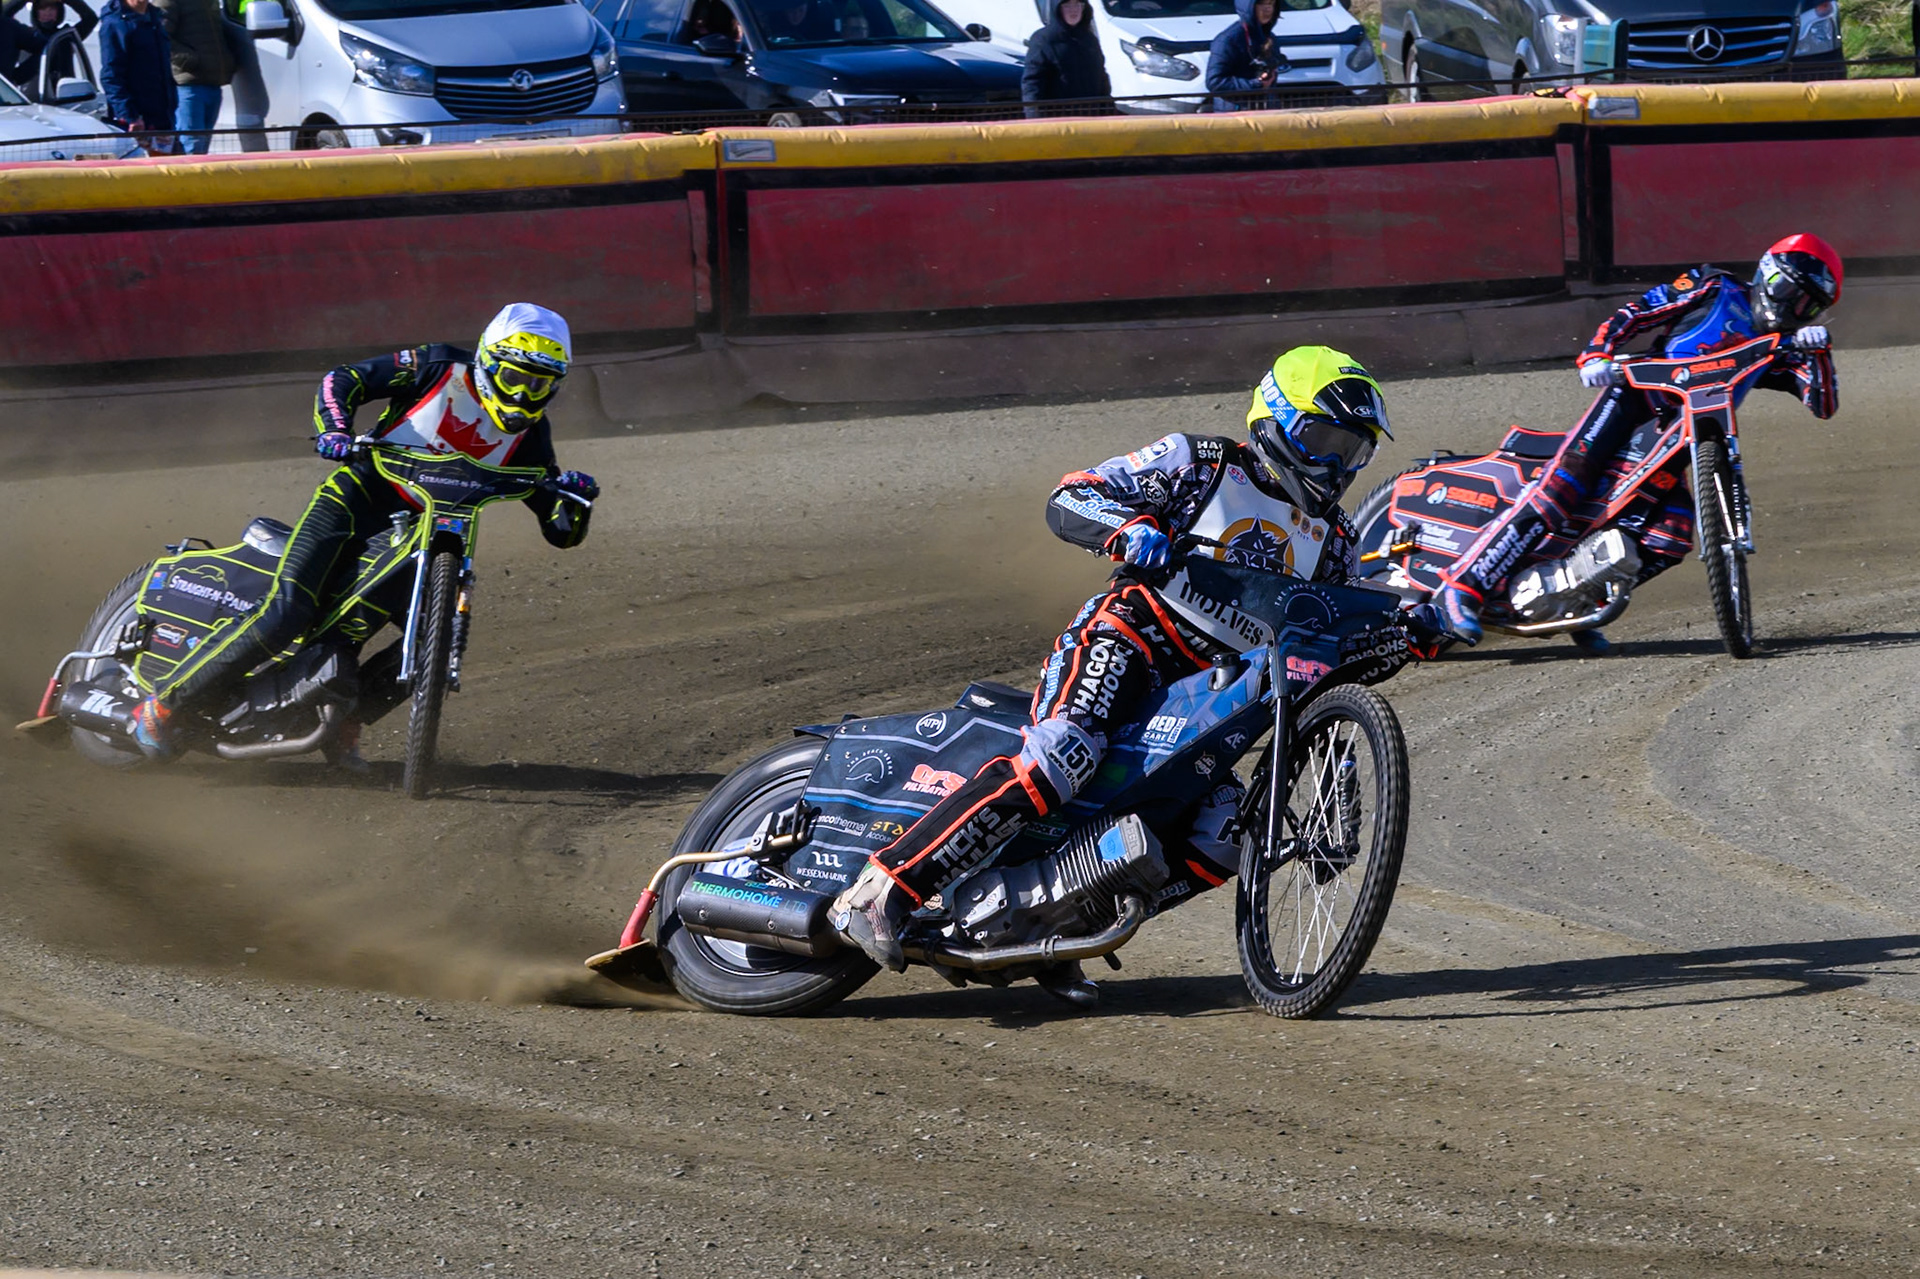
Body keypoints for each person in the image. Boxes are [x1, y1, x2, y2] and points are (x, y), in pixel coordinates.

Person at [830, 346, 1392, 1004]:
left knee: (1223, 837)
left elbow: (1334, 650)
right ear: (1274, 421)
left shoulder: (1340, 540)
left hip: (1212, 697)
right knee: (1063, 756)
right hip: (1131, 635)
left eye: (1351, 451)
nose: (1334, 464)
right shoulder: (1200, 464)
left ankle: (1062, 922)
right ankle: (881, 890)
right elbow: (1072, 495)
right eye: (1322, 440)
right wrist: (1129, 528)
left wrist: (1407, 635)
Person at [127, 304, 601, 762]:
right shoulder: (436, 366)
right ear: (486, 361)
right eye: (514, 377)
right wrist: (334, 429)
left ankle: (347, 721)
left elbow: (559, 530)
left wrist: (576, 502)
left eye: (537, 384)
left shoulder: (532, 437)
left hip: (427, 538)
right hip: (358, 496)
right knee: (288, 609)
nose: (522, 395)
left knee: (431, 639)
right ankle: (163, 705)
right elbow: (345, 379)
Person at [1429, 233, 1842, 650]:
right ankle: (1461, 587)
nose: (1794, 310)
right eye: (1791, 293)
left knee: (1671, 536)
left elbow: (1823, 403)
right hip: (1635, 398)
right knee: (1561, 491)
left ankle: (1576, 600)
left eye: (1809, 307)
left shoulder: (1781, 349)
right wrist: (1597, 353)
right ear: (1769, 275)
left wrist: (1819, 352)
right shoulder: (1714, 285)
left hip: (1687, 436)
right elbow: (1640, 310)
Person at [154, 0, 232, 155]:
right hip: (188, 84)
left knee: (202, 145)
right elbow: (158, 35)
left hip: (212, 81)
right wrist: (188, 59)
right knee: (191, 145)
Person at [97, 0, 174, 143]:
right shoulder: (114, 23)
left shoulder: (156, 17)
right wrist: (130, 116)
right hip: (136, 122)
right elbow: (111, 77)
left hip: (162, 119)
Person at [1021, 0, 1110, 119]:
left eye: (1078, 4)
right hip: (1057, 121)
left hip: (1091, 118)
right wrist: (1034, 116)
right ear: (1057, 9)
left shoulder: (1090, 39)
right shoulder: (1044, 39)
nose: (1074, 10)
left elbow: (1101, 77)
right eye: (1067, 5)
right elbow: (1032, 82)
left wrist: (1108, 110)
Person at [3, 0, 97, 95]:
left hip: (63, 98)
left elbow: (90, 18)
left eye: (52, 8)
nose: (48, 12)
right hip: (28, 99)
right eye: (42, 8)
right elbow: (3, 19)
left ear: (59, 12)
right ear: (35, 12)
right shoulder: (24, 36)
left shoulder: (66, 36)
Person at [1206, 0, 1280, 113]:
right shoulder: (1227, 40)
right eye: (1261, 3)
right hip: (1233, 117)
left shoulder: (1270, 37)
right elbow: (1215, 82)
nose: (1268, 9)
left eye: (1271, 3)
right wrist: (1256, 84)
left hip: (1266, 113)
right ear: (1248, 7)